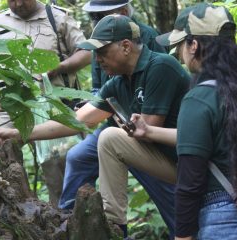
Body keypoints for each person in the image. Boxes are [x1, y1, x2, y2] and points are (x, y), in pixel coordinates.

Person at [0, 15, 190, 238]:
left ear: (125, 46)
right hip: (166, 161)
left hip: (189, 162)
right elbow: (77, 121)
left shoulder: (160, 66)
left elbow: (148, 130)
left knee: (110, 138)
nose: (97, 59)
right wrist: (17, 134)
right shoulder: (119, 82)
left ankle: (114, 225)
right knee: (94, 147)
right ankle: (106, 225)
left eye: (102, 51)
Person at [117, 3, 237, 239]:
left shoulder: (200, 98)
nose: (178, 54)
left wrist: (183, 236)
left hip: (224, 219)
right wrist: (149, 132)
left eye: (179, 46)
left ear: (194, 45)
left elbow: (190, 181)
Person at [61, 0, 176, 236]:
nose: (97, 22)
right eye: (94, 17)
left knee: (163, 187)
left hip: (150, 135)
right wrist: (20, 132)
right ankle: (70, 222)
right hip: (115, 124)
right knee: (78, 157)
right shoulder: (103, 51)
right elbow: (93, 99)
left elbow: (152, 115)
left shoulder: (151, 47)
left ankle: (183, 229)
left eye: (103, 15)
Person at [0, 0, 91, 206]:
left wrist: (59, 67)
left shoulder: (57, 17)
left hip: (54, 104)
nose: (18, 4)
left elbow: (86, 53)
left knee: (60, 165)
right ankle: (13, 210)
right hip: (13, 106)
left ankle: (66, 216)